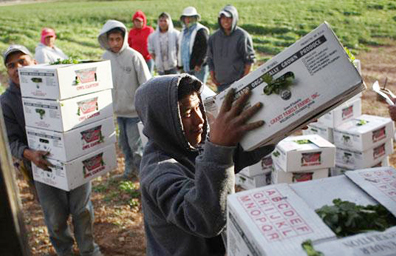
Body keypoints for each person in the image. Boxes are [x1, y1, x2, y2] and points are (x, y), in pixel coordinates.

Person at [135, 73, 275, 255]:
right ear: (162, 121)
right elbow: (206, 220)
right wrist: (219, 147)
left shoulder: (186, 144)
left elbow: (236, 157)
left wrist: (276, 130)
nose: (199, 119)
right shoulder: (159, 171)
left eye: (198, 107)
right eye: (186, 113)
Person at [1, 45, 102, 256]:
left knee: (82, 210)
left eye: (22, 61)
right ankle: (64, 251)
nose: (17, 68)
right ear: (7, 71)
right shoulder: (6, 102)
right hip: (42, 167)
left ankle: (88, 250)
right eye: (11, 65)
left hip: (75, 159)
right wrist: (30, 155)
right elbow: (11, 141)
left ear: (35, 63)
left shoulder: (56, 85)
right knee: (55, 217)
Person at [98, 20, 151, 180]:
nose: (114, 43)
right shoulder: (105, 57)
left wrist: (144, 107)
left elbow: (146, 83)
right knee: (124, 145)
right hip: (118, 111)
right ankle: (130, 172)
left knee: (137, 146)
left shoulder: (134, 56)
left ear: (124, 38)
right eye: (111, 39)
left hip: (134, 112)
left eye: (118, 39)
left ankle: (144, 177)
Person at [208, 5, 255, 93]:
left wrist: (243, 81)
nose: (226, 21)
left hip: (238, 84)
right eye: (223, 18)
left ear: (235, 19)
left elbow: (249, 61)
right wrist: (212, 77)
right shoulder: (213, 37)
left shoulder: (242, 36)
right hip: (221, 84)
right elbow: (210, 58)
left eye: (229, 18)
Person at [178, 7, 209, 84]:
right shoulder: (184, 31)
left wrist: (199, 63)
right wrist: (180, 64)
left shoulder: (201, 30)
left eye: (191, 17)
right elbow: (181, 49)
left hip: (198, 68)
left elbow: (206, 48)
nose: (188, 20)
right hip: (188, 67)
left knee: (199, 89)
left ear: (195, 18)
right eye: (186, 17)